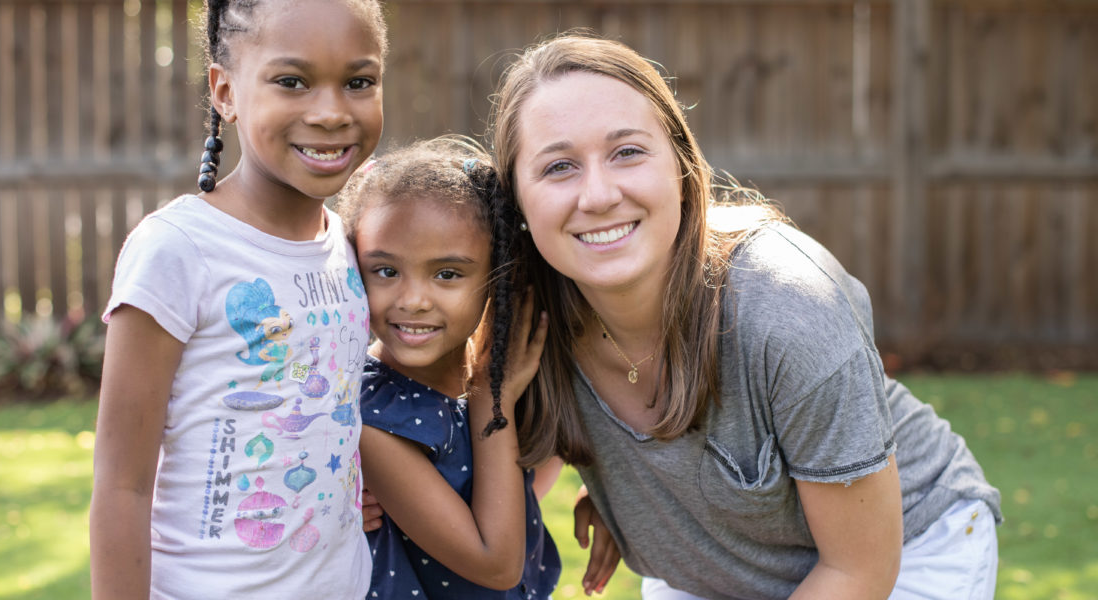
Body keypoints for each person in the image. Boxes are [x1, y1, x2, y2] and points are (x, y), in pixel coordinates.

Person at [487, 33, 1003, 600]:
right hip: (711, 565)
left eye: (627, 152)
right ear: (516, 202)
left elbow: (859, 571)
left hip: (909, 552)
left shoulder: (791, 307)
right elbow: (488, 522)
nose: (599, 194)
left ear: (681, 167)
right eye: (558, 166)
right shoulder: (525, 323)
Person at [88, 0, 387, 597]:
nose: (330, 112)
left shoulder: (348, 244)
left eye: (359, 82)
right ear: (224, 92)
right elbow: (121, 487)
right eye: (292, 82)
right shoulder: (178, 250)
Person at [336, 136, 562, 599]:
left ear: (498, 276)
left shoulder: (500, 363)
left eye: (447, 274)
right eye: (385, 271)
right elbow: (496, 565)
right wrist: (488, 400)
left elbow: (537, 468)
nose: (413, 301)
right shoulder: (372, 414)